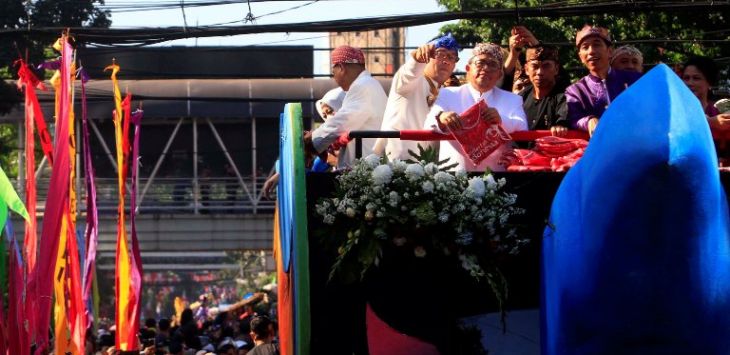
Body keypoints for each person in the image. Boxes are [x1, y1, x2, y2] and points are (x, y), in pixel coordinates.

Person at [424, 43, 528, 171]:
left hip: (497, 177)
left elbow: (522, 127)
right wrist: (442, 117)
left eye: (493, 65)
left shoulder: (512, 99)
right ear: (468, 68)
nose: (486, 68)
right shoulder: (448, 93)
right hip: (454, 178)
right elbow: (428, 124)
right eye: (480, 63)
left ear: (500, 74)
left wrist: (501, 119)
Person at [378, 33, 460, 160]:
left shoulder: (446, 93)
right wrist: (417, 59)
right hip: (398, 163)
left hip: (430, 168)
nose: (446, 60)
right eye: (440, 54)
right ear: (428, 55)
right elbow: (410, 72)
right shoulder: (409, 80)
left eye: (452, 57)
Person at [304, 45, 387, 168]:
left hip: (364, 168)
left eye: (333, 73)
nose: (334, 78)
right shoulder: (369, 84)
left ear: (341, 68)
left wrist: (311, 140)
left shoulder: (361, 86)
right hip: (368, 163)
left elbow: (342, 122)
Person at [566, 25, 641, 136]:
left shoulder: (634, 80)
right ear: (581, 57)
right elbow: (574, 118)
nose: (591, 51)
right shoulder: (575, 91)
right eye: (585, 47)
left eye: (597, 45)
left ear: (610, 51)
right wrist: (589, 121)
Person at [518, 46, 568, 136]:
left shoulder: (565, 96)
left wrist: (560, 126)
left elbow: (563, 119)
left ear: (556, 69)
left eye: (546, 66)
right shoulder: (521, 98)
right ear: (526, 69)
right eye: (535, 66)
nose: (540, 72)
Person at [682, 56, 730, 130]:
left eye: (696, 78)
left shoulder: (719, 116)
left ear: (710, 83)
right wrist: (708, 122)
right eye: (686, 78)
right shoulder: (675, 111)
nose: (690, 83)